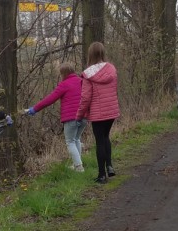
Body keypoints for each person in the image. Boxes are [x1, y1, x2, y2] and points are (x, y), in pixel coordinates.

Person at [25, 62, 88, 172]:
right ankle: (77, 164)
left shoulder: (64, 84)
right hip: (84, 116)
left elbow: (50, 99)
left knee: (70, 142)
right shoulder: (82, 81)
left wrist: (35, 109)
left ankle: (78, 167)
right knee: (76, 139)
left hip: (71, 118)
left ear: (63, 73)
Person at [76, 42, 121, 184]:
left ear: (91, 54)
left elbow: (85, 98)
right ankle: (110, 166)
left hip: (98, 112)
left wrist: (79, 115)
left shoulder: (88, 74)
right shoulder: (112, 69)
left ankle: (102, 175)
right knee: (106, 137)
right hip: (112, 110)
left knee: (99, 141)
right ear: (102, 52)